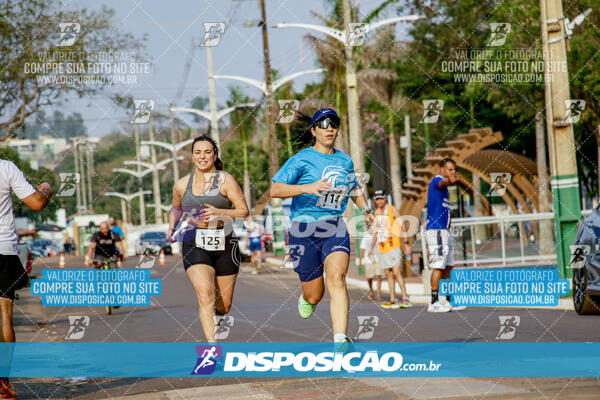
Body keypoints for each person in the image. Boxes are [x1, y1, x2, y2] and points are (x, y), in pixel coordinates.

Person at [270, 108, 375, 347]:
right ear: (314, 130)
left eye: (334, 124)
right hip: (303, 230)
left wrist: (366, 209)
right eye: (324, 124)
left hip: (334, 225)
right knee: (314, 294)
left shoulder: (344, 160)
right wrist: (307, 187)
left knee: (337, 278)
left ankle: (340, 340)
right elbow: (275, 190)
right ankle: (308, 297)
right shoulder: (301, 159)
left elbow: (353, 189)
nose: (329, 128)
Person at [167, 135, 249, 342]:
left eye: (207, 152)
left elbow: (243, 212)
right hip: (194, 241)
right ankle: (212, 349)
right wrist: (172, 227)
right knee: (205, 296)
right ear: (192, 156)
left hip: (225, 243)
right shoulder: (181, 184)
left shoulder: (226, 180)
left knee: (223, 305)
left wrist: (221, 212)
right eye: (198, 152)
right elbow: (176, 208)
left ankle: (217, 319)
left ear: (214, 155)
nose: (202, 156)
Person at [0, 159, 53, 400]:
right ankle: (3, 384)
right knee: (4, 315)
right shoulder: (5, 168)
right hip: (3, 251)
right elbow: (37, 203)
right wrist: (45, 189)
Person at [424, 158, 465, 312]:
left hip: (445, 231)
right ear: (441, 169)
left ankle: (448, 301)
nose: (452, 172)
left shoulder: (445, 188)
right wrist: (450, 180)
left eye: (454, 169)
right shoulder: (437, 181)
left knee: (448, 267)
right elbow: (443, 183)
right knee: (438, 267)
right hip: (436, 231)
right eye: (449, 169)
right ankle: (433, 302)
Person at [370, 190, 412, 309]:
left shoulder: (392, 209)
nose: (379, 201)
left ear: (386, 198)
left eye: (381, 198)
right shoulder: (376, 213)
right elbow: (376, 232)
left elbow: (402, 225)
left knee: (396, 271)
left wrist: (406, 242)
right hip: (382, 247)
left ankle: (405, 298)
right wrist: (371, 248)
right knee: (388, 274)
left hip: (394, 245)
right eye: (377, 199)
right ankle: (392, 299)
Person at [359, 230, 381, 301]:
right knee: (369, 278)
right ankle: (371, 290)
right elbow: (362, 249)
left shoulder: (380, 235)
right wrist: (360, 261)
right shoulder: (366, 236)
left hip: (378, 259)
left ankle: (378, 294)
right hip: (368, 260)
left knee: (378, 277)